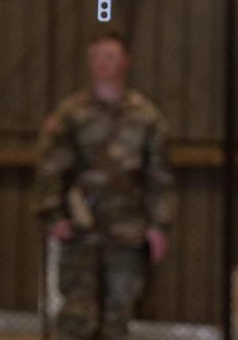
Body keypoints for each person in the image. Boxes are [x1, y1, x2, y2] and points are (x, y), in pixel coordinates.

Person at [32, 30, 175, 340]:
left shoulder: (147, 117)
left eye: (109, 56)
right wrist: (52, 215)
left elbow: (159, 176)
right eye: (95, 57)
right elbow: (50, 167)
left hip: (127, 230)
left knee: (118, 314)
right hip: (79, 229)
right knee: (75, 316)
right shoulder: (71, 114)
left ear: (126, 61)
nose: (102, 64)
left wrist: (159, 226)